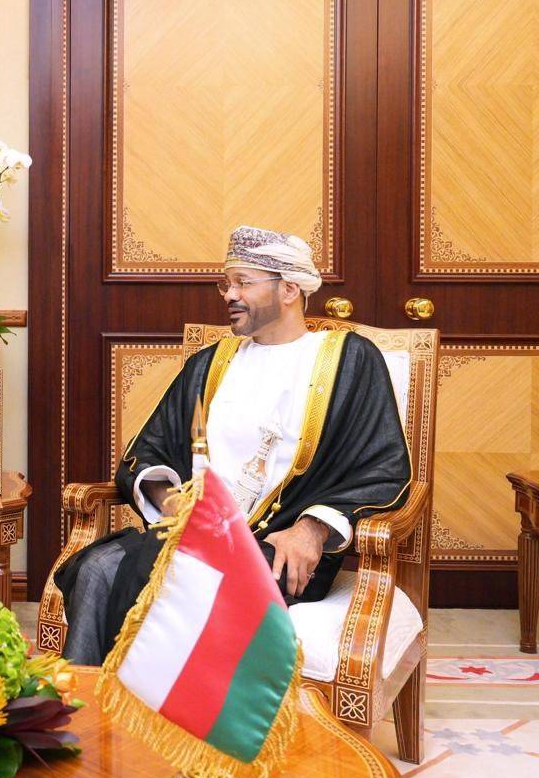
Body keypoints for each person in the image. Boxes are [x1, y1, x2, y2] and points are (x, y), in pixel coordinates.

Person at [55, 225, 411, 665]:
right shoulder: (212, 364)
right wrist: (174, 505)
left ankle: (155, 707)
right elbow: (147, 451)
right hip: (192, 537)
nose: (230, 295)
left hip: (278, 550)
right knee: (95, 569)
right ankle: (86, 705)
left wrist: (311, 530)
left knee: (183, 578)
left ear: (289, 289)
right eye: (226, 284)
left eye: (243, 282)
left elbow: (383, 467)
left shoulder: (350, 359)